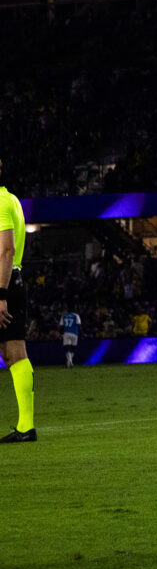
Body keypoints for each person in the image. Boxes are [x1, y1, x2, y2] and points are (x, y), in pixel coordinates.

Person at [0, 165, 32, 442]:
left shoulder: (0, 202)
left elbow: (7, 250)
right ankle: (26, 426)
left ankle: (26, 427)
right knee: (12, 353)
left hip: (4, 285)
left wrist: (1, 295)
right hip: (13, 281)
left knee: (15, 353)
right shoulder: (12, 199)